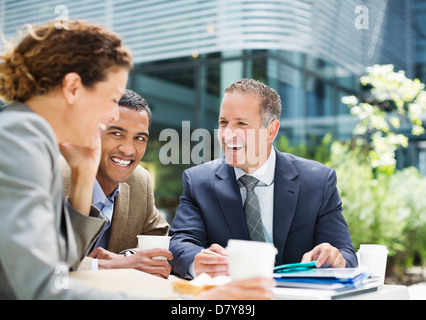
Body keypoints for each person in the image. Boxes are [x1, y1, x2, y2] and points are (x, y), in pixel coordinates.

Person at [0, 21, 274, 299]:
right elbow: (41, 289)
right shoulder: (18, 142)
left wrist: (84, 175)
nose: (110, 116)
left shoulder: (27, 136)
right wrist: (189, 302)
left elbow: (62, 267)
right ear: (72, 87)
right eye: (111, 99)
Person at [169, 78, 358, 279]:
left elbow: (346, 254)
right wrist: (197, 261)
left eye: (241, 124)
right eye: (223, 123)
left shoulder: (318, 181)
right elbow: (179, 243)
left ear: (271, 131)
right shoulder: (198, 181)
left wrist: (334, 258)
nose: (227, 135)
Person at [60, 89, 172, 278]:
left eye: (139, 138)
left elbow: (160, 239)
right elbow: (34, 252)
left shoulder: (140, 180)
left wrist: (127, 256)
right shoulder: (50, 175)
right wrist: (105, 265)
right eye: (117, 133)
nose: (128, 150)